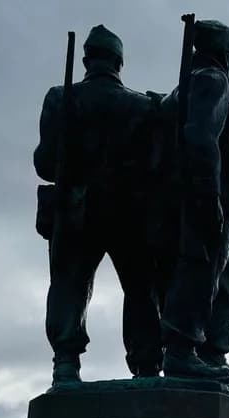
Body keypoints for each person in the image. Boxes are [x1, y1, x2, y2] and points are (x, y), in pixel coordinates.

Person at [33, 25, 163, 385]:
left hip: (77, 210)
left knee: (69, 285)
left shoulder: (60, 98)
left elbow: (44, 163)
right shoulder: (144, 106)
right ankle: (147, 364)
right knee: (141, 289)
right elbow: (157, 165)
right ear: (119, 63)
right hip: (131, 213)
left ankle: (66, 361)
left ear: (87, 60)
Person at [156, 19, 229, 382]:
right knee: (199, 271)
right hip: (205, 197)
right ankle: (182, 351)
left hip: (198, 196)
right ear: (226, 52)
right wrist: (208, 196)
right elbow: (201, 137)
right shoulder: (213, 80)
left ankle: (211, 353)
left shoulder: (186, 85)